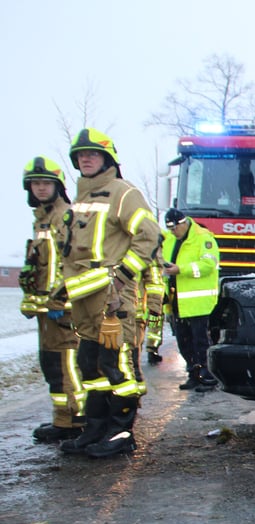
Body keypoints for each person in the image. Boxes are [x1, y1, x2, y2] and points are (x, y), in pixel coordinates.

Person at [48, 128, 162, 458]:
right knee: (90, 366)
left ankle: (121, 433)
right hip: (83, 299)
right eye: (81, 155)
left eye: (93, 154)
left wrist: (124, 273)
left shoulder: (123, 193)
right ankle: (95, 429)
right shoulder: (79, 200)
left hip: (113, 300)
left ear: (107, 158)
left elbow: (149, 236)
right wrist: (62, 288)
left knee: (118, 368)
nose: (86, 158)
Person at [19, 156, 85, 442]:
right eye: (36, 184)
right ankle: (62, 419)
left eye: (46, 183)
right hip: (47, 310)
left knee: (67, 364)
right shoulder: (42, 219)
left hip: (64, 309)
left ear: (58, 186)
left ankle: (77, 420)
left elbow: (69, 263)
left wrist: (61, 301)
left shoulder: (64, 216)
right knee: (51, 365)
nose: (41, 189)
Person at [162, 208, 220, 392]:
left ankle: (207, 376)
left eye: (174, 228)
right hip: (176, 301)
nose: (173, 232)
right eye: (169, 228)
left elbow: (208, 265)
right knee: (183, 341)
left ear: (183, 222)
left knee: (200, 341)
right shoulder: (169, 239)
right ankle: (193, 374)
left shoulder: (203, 238)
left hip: (198, 302)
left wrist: (181, 269)